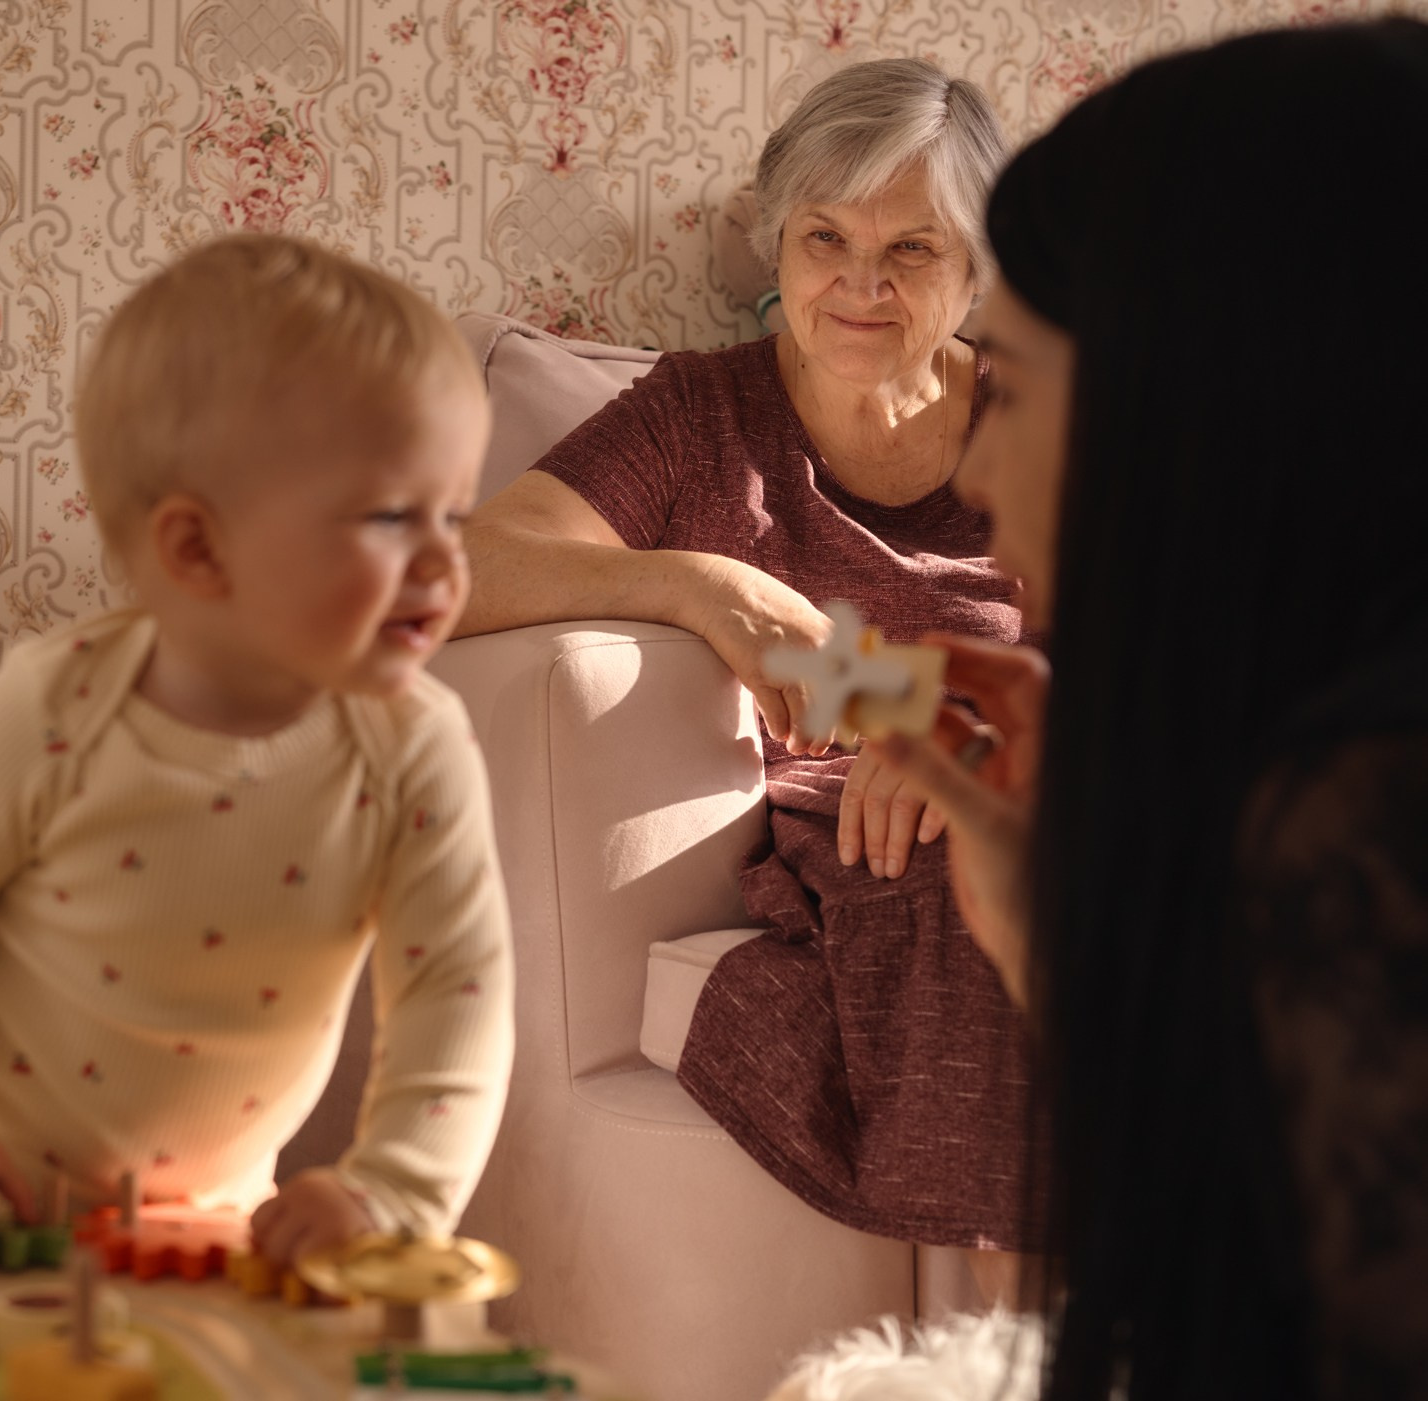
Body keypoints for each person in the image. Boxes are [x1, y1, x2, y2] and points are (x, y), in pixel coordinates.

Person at [870, 19, 1428, 1398]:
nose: (977, 469)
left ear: (1207, 397)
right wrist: (1057, 927)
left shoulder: (1366, 817)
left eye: (1001, 382)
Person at [457, 57, 1036, 1287]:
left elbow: (1174, 646)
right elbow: (458, 573)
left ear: (975, 268)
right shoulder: (695, 419)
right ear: (774, 242)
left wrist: (973, 737)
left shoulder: (1038, 422)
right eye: (824, 235)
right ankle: (1021, 1344)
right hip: (854, 845)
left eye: (913, 251)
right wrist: (691, 583)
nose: (860, 284)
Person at [0, 233, 514, 1270]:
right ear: (197, 548)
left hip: (204, 1220)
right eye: (388, 517)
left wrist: (391, 1193)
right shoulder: (53, 711)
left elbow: (455, 991)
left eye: (452, 515)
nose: (442, 562)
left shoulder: (414, 752)